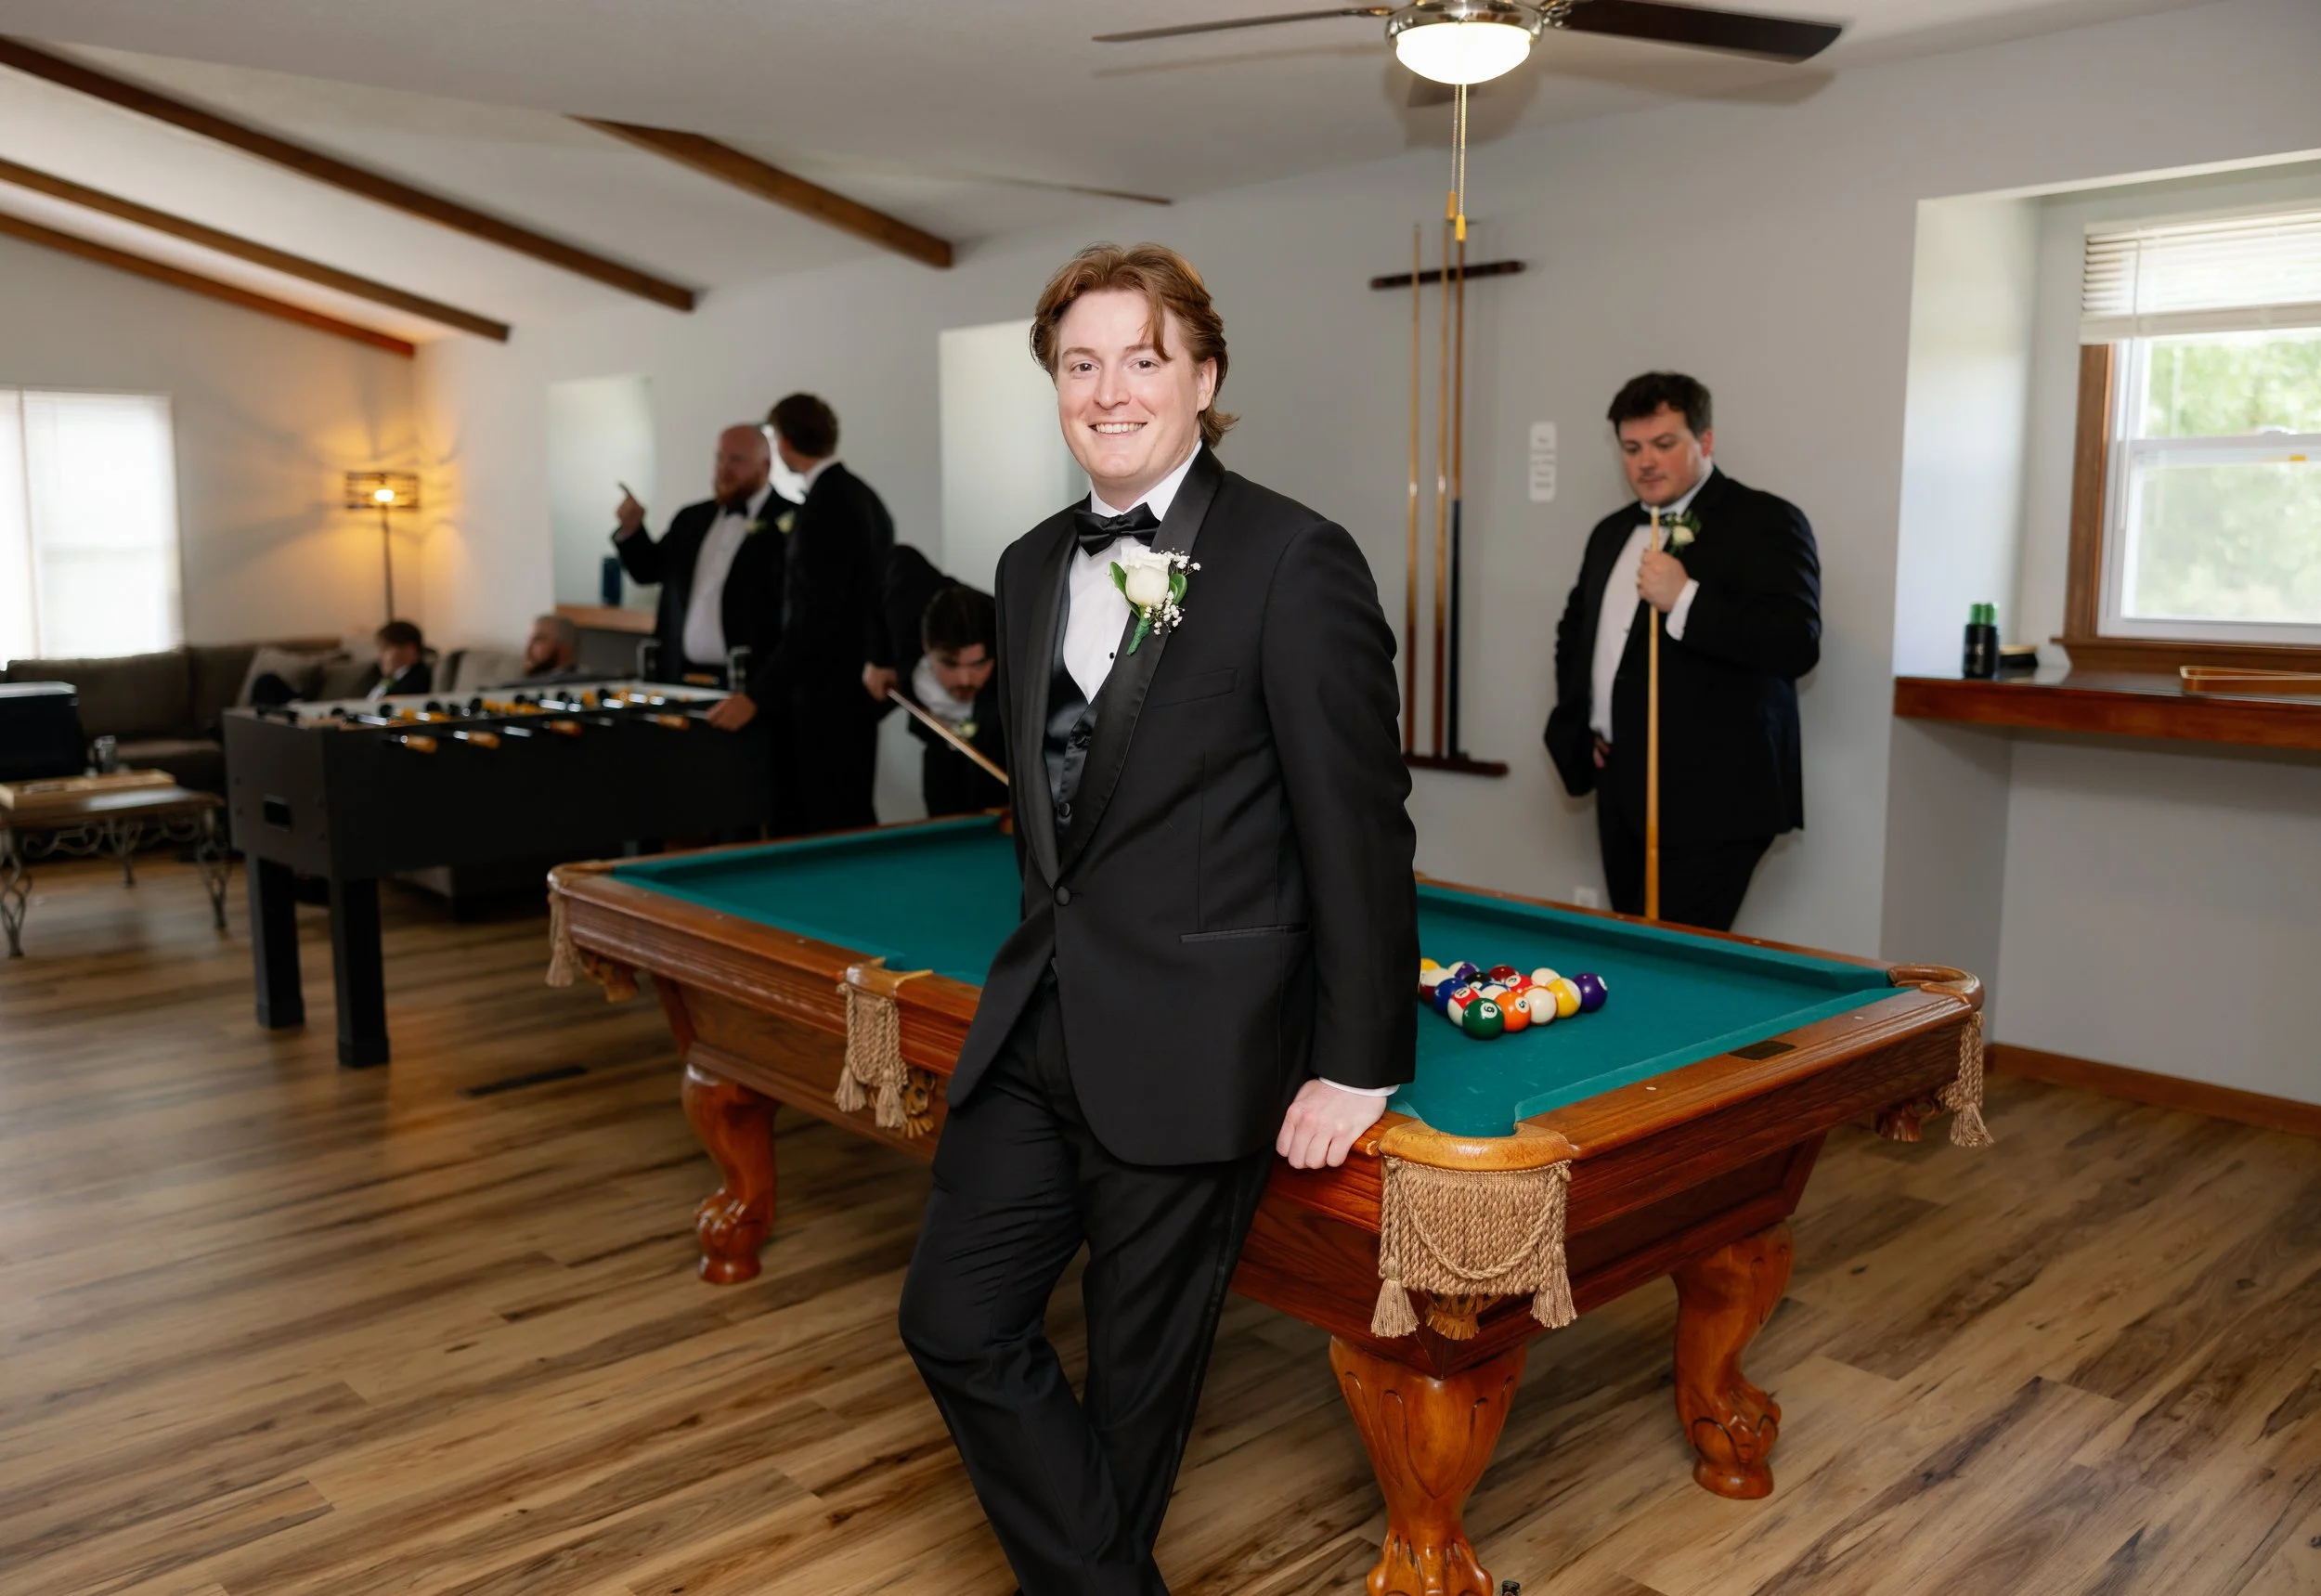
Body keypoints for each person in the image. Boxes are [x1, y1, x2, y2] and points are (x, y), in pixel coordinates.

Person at [896, 243, 1416, 1596]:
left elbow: (1356, 825)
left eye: (1142, 357)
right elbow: (1054, 829)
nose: (1109, 388)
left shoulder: (1295, 558)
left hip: (1204, 1040)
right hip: (1037, 1024)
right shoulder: (1020, 570)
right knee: (952, 1317)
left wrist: (1359, 1056)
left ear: (1205, 377)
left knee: (1137, 1391)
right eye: (1081, 362)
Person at [1542, 372, 1820, 932]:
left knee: (1681, 958)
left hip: (1717, 794)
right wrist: (1588, 723)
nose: (1646, 462)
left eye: (1664, 444)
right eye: (1632, 448)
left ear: (1705, 441)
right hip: (1621, 782)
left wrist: (1686, 598)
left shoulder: (1765, 520)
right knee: (1633, 948)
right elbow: (1575, 635)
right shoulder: (1610, 532)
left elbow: (1796, 642)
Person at [760, 393, 894, 835]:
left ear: (783, 442)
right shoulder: (861, 495)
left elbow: (816, 611)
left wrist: (764, 689)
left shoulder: (826, 504)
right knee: (846, 805)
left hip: (826, 692)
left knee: (827, 814)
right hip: (852, 684)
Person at [610, 425, 795, 739]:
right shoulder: (691, 518)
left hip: (750, 689)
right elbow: (649, 571)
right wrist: (632, 531)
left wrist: (763, 691)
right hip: (679, 680)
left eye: (736, 460)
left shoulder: (791, 521)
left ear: (766, 466)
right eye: (719, 459)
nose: (724, 468)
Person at [862, 553, 1007, 816]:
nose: (965, 679)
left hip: (997, 755)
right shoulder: (907, 602)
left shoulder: (1019, 653)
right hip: (939, 747)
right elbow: (895, 561)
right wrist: (878, 657)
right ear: (927, 646)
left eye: (978, 665)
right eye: (950, 664)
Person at [367, 620, 432, 698]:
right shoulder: (382, 678)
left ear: (410, 649)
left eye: (386, 649)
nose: (379, 656)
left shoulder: (418, 679)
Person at [522, 613, 580, 678]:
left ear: (564, 647)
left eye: (539, 639)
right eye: (531, 640)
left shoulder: (583, 682)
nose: (529, 647)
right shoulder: (523, 681)